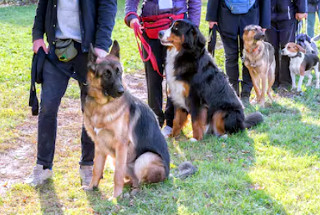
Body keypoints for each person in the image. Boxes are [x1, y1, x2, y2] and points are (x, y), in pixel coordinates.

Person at [26, 0, 117, 186]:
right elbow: (43, 4)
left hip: (89, 52)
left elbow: (108, 7)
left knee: (91, 110)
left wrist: (101, 45)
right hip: (56, 51)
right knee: (47, 107)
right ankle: (43, 167)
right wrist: (37, 36)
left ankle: (88, 165)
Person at [124, 0, 201, 137]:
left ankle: (172, 123)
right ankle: (155, 121)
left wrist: (192, 29)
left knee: (176, 79)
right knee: (153, 78)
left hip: (177, 30)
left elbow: (195, 2)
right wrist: (131, 17)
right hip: (151, 29)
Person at [206, 0, 271, 104]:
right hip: (230, 16)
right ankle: (234, 93)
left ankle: (245, 94)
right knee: (233, 57)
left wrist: (265, 22)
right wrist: (211, 17)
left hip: (243, 17)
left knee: (246, 58)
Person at [265, 0, 307, 90]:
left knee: (287, 50)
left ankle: (285, 82)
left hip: (287, 15)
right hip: (267, 17)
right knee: (271, 50)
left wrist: (301, 9)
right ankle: (273, 80)